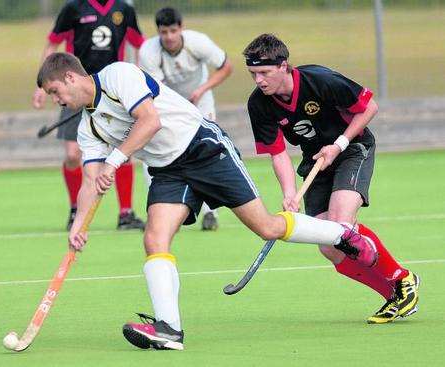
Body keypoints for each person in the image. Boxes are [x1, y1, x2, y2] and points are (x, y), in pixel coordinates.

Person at [37, 52, 379, 350]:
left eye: (55, 91)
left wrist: (116, 159)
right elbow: (90, 180)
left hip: (203, 148)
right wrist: (79, 225)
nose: (57, 100)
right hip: (167, 170)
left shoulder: (117, 75)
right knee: (154, 238)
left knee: (267, 226)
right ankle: (168, 329)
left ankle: (341, 235)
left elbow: (150, 121)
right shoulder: (89, 127)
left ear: (70, 77)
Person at [243, 33, 420, 324]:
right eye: (253, 74)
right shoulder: (259, 104)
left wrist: (338, 144)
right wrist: (289, 192)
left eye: (264, 72)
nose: (259, 81)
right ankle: (394, 295)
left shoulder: (320, 80)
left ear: (284, 66)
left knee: (340, 223)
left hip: (352, 148)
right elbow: (278, 153)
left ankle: (402, 279)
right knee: (328, 244)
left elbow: (369, 107)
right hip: (316, 160)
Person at [32, 0, 146, 230]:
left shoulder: (124, 9)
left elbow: (141, 46)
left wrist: (140, 75)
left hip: (113, 93)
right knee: (73, 155)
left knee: (124, 149)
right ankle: (76, 209)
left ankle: (126, 213)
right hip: (72, 90)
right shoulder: (73, 8)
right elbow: (52, 44)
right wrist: (41, 87)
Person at [139, 7, 233, 231]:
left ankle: (211, 212)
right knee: (151, 154)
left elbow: (226, 67)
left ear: (181, 28)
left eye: (173, 31)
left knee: (208, 152)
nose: (169, 37)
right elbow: (155, 90)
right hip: (167, 106)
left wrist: (202, 89)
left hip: (200, 102)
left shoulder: (198, 42)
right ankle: (160, 212)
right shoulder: (148, 52)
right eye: (164, 32)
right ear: (158, 32)